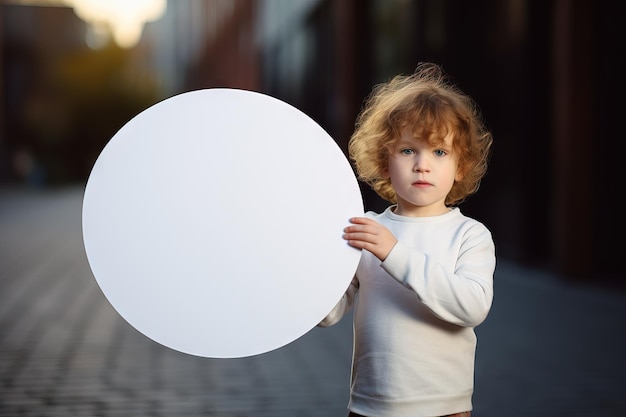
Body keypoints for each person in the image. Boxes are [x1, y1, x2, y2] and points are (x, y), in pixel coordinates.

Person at [319, 62, 495, 417]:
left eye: (439, 152)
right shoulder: (365, 228)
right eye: (407, 150)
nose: (422, 165)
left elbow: (472, 307)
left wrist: (395, 253)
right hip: (370, 406)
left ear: (461, 166)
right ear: (385, 162)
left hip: (444, 409)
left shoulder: (469, 235)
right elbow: (329, 313)